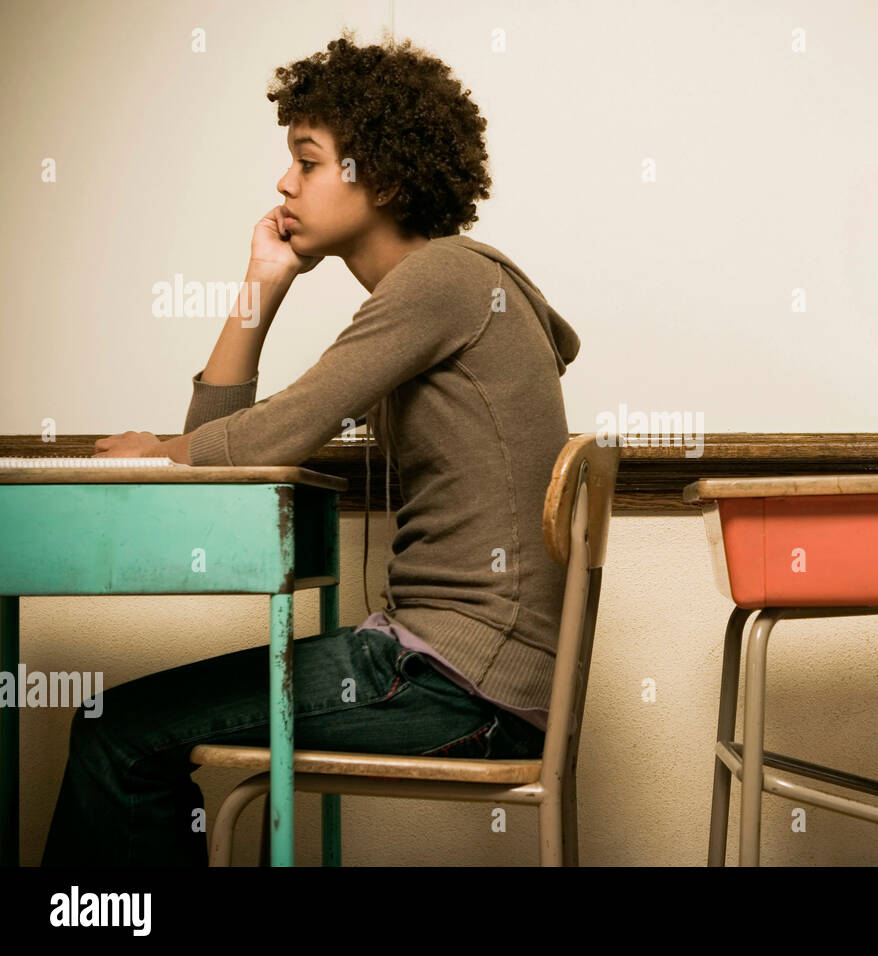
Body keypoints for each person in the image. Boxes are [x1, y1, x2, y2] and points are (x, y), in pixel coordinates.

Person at [42, 30, 580, 866]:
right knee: (120, 730)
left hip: (453, 687)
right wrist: (261, 281)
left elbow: (278, 431)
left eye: (309, 160)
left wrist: (164, 451)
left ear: (385, 178)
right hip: (452, 674)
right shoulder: (452, 289)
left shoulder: (444, 281)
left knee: (115, 735)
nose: (284, 182)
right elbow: (245, 457)